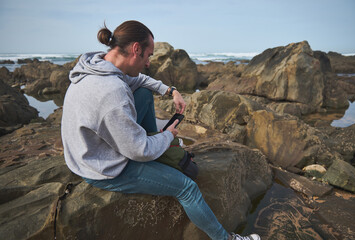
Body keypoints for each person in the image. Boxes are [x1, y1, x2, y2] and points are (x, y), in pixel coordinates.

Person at [61, 20, 260, 240]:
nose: (148, 63)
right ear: (136, 49)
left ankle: (158, 148)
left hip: (85, 150)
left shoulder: (99, 65)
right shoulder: (112, 93)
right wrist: (168, 136)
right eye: (149, 55)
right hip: (101, 167)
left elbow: (140, 80)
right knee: (187, 189)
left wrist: (171, 91)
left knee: (144, 92)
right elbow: (139, 150)